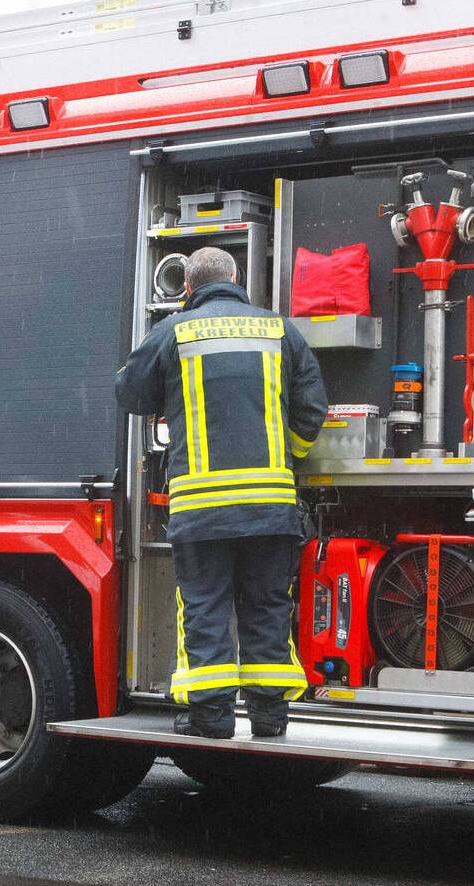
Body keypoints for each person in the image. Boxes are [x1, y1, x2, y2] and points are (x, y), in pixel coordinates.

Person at [115, 246, 328, 739]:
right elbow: (313, 407)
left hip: (201, 510)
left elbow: (128, 392)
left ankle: (210, 720)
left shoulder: (174, 333)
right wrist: (288, 457)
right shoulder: (279, 329)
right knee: (267, 607)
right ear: (237, 277)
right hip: (271, 507)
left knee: (205, 608)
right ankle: (271, 719)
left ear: (187, 289)